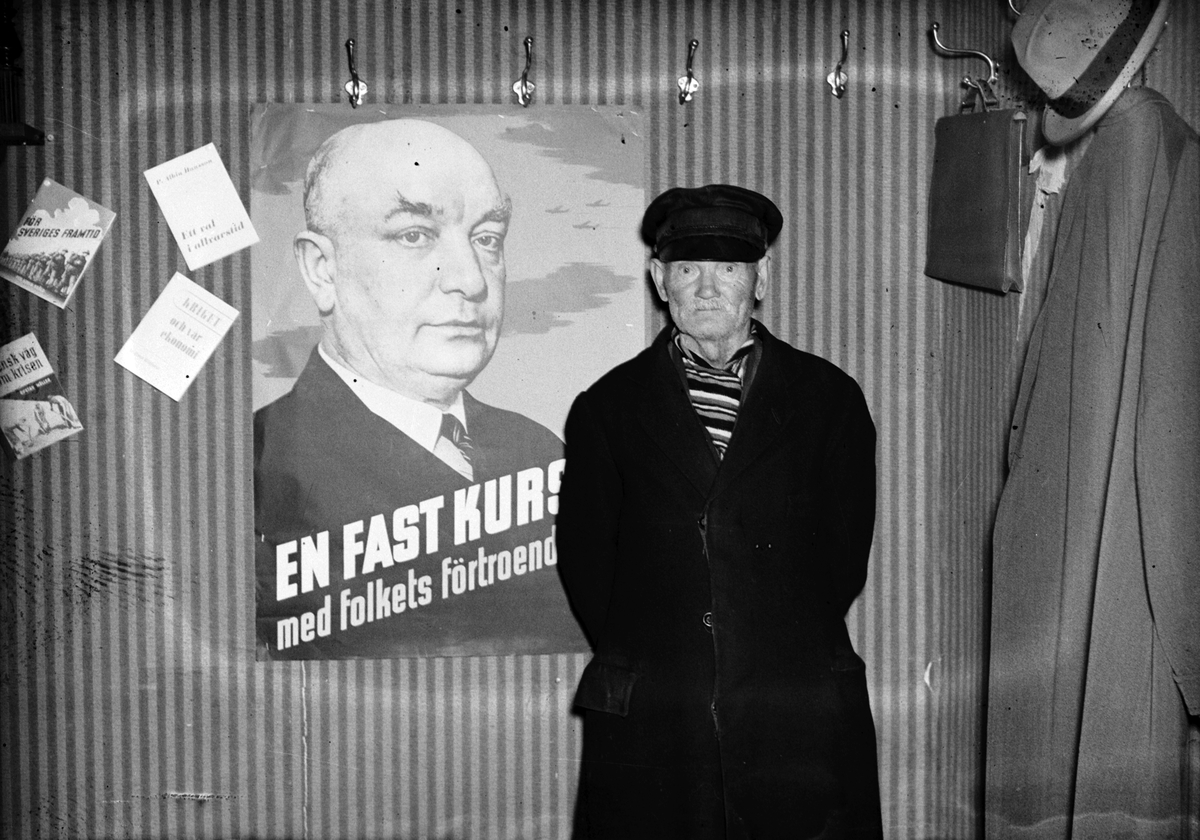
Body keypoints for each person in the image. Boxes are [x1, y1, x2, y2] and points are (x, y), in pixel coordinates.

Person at [557, 184, 883, 838]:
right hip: (659, 719)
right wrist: (676, 653)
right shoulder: (606, 409)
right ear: (660, 280)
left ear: (761, 279)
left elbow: (843, 562)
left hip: (794, 709)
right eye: (688, 269)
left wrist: (756, 640)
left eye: (729, 268)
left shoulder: (829, 400)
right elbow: (588, 568)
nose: (707, 288)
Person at [254, 119, 586, 659]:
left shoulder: (539, 452)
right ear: (322, 270)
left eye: (486, 239)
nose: (470, 280)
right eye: (414, 235)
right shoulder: (257, 464)